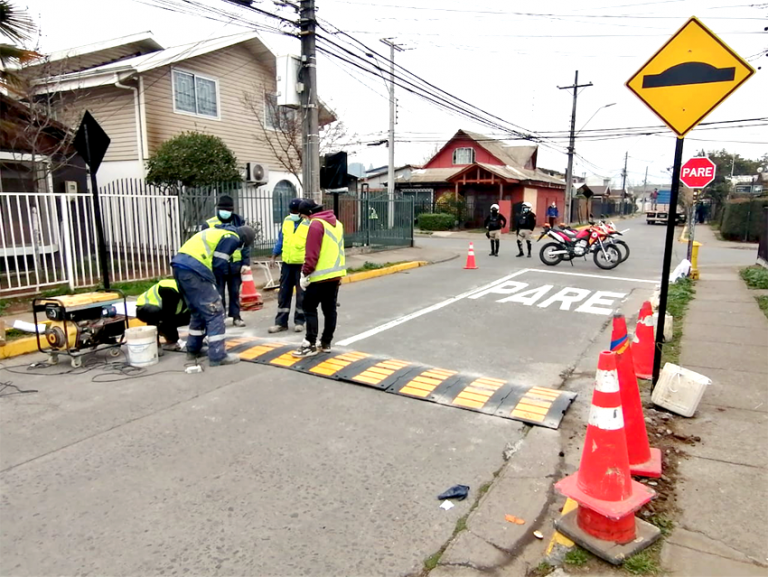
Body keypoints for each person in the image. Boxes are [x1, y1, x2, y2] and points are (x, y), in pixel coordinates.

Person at [171, 225, 255, 367]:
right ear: (244, 240)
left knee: (198, 311)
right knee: (215, 311)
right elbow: (218, 264)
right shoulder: (232, 237)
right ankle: (218, 355)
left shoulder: (217, 231)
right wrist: (215, 286)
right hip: (195, 270)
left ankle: (193, 349)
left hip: (180, 266)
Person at [292, 200, 346, 358]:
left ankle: (309, 344)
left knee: (309, 308)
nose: (303, 219)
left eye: (302, 216)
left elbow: (312, 253)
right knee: (330, 310)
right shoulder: (336, 223)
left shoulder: (315, 225)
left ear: (308, 213)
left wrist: (305, 273)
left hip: (319, 276)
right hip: (334, 275)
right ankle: (326, 342)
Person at [202, 195, 249, 328]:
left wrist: (246, 263)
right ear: (218, 209)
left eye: (228, 209)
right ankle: (219, 318)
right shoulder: (209, 224)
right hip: (217, 265)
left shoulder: (239, 222)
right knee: (218, 293)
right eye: (223, 209)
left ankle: (236, 316)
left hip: (235, 264)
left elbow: (245, 244)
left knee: (235, 292)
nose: (226, 212)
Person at [269, 198, 308, 334]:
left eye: (296, 211)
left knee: (301, 294)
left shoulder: (308, 223)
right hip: (287, 264)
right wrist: (274, 255)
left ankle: (299, 321)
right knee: (284, 293)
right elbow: (281, 240)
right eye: (291, 211)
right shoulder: (287, 221)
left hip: (302, 264)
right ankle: (281, 322)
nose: (293, 213)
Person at [135, 279, 190, 356]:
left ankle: (170, 341)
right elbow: (167, 315)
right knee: (158, 314)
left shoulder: (189, 293)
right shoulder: (169, 289)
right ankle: (154, 345)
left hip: (164, 313)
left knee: (192, 317)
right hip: (145, 309)